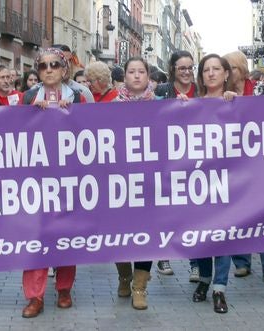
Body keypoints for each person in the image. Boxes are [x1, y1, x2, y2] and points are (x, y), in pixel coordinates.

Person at [20, 48, 86, 318]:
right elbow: (9, 133)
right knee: (36, 236)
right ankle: (34, 296)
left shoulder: (79, 97)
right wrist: (29, 116)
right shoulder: (27, 97)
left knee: (66, 235)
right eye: (43, 66)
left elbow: (93, 133)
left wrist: (74, 117)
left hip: (69, 177)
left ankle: (64, 289)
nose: (49, 70)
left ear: (64, 70)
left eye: (55, 65)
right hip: (36, 178)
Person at [224, 51, 264, 280]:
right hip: (233, 162)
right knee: (239, 212)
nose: (229, 73)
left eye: (233, 69)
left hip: (258, 161)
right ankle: (242, 261)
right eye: (226, 69)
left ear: (242, 69)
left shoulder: (258, 89)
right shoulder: (221, 93)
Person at [191, 53, 237, 314]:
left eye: (216, 69)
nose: (211, 73)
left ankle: (219, 288)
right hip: (198, 180)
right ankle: (204, 280)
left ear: (226, 73)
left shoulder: (235, 103)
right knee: (201, 235)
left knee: (223, 236)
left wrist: (237, 105)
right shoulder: (192, 105)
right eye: (206, 69)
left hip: (228, 180)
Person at [112, 56, 156, 310]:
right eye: (132, 71)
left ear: (148, 76)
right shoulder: (111, 106)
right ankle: (124, 275)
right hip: (119, 182)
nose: (137, 75)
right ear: (125, 76)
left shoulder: (163, 105)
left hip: (150, 183)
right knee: (118, 234)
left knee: (147, 236)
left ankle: (140, 286)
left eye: (141, 71)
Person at [153, 50, 198, 277]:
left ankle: (195, 263)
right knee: (167, 212)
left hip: (194, 162)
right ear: (173, 70)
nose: (187, 72)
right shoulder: (162, 91)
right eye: (182, 68)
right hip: (166, 161)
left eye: (190, 67)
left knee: (194, 214)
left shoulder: (200, 92)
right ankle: (164, 257)